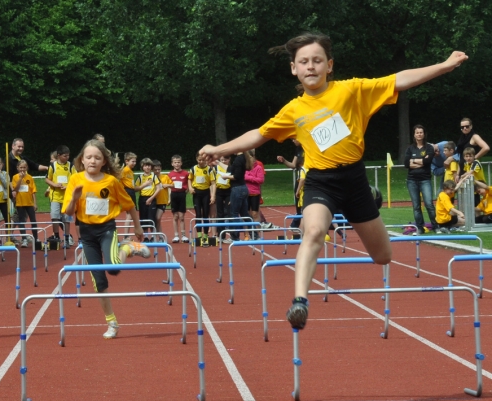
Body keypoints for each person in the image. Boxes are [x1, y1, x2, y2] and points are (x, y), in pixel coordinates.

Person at [198, 32, 468, 330]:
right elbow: (258, 135)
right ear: (294, 69)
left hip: (354, 181)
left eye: (317, 60)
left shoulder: (352, 91)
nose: (310, 66)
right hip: (320, 181)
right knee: (313, 230)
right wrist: (217, 148)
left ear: (329, 65)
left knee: (383, 256)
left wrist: (444, 65)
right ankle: (300, 301)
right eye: (304, 62)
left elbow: (399, 79)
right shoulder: (294, 110)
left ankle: (364, 212)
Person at [62, 139, 150, 339]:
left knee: (113, 268)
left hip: (107, 229)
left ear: (104, 162)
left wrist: (137, 226)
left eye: (97, 157)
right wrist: (75, 198)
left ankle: (128, 248)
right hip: (87, 233)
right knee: (99, 281)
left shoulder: (111, 182)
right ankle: (112, 322)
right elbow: (67, 212)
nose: (92, 161)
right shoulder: (75, 180)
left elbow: (129, 206)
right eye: (89, 157)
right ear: (82, 160)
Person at [405, 124, 438, 234]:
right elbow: (406, 163)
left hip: (425, 180)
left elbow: (428, 162)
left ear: (424, 134)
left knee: (429, 204)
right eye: (417, 132)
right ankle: (420, 227)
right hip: (412, 180)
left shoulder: (429, 147)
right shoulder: (410, 148)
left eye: (421, 132)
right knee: (416, 206)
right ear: (414, 135)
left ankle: (435, 226)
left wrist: (413, 161)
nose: (419, 134)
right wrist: (421, 161)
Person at [45, 145, 77, 247]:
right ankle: (56, 237)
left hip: (67, 197)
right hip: (55, 197)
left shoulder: (71, 166)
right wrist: (54, 184)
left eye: (68, 156)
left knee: (66, 219)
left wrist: (67, 187)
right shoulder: (52, 166)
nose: (67, 158)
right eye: (65, 156)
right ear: (58, 155)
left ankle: (67, 239)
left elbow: (75, 180)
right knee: (55, 217)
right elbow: (47, 179)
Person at [219, 152, 252, 242]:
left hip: (237, 189)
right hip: (243, 188)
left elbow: (236, 176)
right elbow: (231, 169)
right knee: (245, 214)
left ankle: (235, 237)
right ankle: (254, 234)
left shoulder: (238, 159)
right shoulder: (243, 158)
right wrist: (217, 163)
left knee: (234, 213)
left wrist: (226, 176)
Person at [188, 152, 216, 246]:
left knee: (205, 214)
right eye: (199, 160)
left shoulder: (209, 170)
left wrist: (213, 196)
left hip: (206, 193)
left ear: (206, 160)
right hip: (196, 193)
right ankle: (199, 235)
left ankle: (206, 235)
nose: (201, 162)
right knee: (198, 214)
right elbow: (189, 179)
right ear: (196, 159)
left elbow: (213, 183)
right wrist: (190, 188)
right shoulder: (193, 169)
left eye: (203, 160)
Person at [11, 160, 38, 248]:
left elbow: (33, 191)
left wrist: (35, 203)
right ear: (18, 168)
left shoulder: (30, 177)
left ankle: (36, 238)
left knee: (33, 220)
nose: (22, 169)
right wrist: (20, 178)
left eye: (24, 167)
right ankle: (24, 238)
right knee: (21, 221)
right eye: (21, 167)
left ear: (27, 168)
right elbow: (16, 188)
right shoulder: (15, 177)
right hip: (20, 203)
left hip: (29, 203)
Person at [135, 158, 161, 241]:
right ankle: (146, 236)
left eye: (149, 165)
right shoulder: (140, 177)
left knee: (151, 218)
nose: (147, 167)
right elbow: (135, 188)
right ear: (142, 167)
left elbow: (158, 189)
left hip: (151, 198)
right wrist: (144, 185)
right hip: (142, 199)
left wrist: (151, 198)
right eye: (145, 166)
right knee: (143, 218)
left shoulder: (154, 176)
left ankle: (153, 236)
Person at [168, 154, 190, 243]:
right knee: (175, 216)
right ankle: (176, 235)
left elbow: (189, 184)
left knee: (181, 216)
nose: (177, 164)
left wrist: (186, 192)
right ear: (172, 164)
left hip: (181, 195)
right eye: (175, 162)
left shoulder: (186, 173)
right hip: (173, 194)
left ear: (181, 163)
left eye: (178, 162)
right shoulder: (170, 174)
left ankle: (183, 235)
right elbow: (169, 187)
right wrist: (169, 198)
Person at [244, 149, 265, 239]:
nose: (250, 160)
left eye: (251, 157)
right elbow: (242, 176)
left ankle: (257, 233)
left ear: (254, 157)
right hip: (246, 193)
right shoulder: (244, 167)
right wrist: (253, 178)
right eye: (248, 158)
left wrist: (249, 178)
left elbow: (260, 180)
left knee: (255, 213)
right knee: (246, 214)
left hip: (255, 193)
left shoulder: (258, 168)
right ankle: (247, 234)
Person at [214, 155, 232, 243]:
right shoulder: (215, 168)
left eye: (225, 160)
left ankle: (232, 235)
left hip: (229, 191)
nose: (223, 162)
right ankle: (221, 235)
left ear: (229, 160)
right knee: (219, 213)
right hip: (219, 191)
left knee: (230, 212)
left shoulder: (231, 168)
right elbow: (212, 181)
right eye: (221, 160)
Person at [153, 159, 172, 235]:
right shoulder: (151, 178)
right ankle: (156, 236)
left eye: (159, 169)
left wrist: (167, 185)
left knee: (158, 218)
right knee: (153, 219)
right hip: (153, 201)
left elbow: (172, 185)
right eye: (155, 170)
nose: (157, 171)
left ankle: (160, 235)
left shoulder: (165, 177)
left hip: (162, 201)